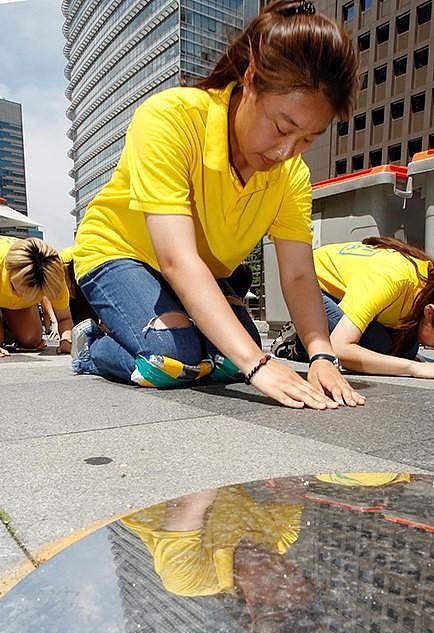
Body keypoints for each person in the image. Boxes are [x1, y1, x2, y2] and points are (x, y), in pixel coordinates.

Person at [71, 0, 365, 408]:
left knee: (228, 362)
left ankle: (172, 330)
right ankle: (90, 344)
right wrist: (259, 365)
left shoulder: (291, 175)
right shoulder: (170, 119)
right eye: (283, 127)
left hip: (201, 272)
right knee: (173, 360)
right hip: (119, 253)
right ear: (250, 79)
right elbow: (177, 260)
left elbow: (298, 275)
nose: (285, 151)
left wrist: (322, 355)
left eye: (306, 140)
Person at [121, 482, 321, 633]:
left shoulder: (191, 579)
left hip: (132, 484)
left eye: (276, 583)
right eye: (296, 573)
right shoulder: (281, 535)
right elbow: (293, 486)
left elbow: (190, 501)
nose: (280, 566)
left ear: (251, 603)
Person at [274, 238, 434, 378]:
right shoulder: (393, 279)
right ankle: (298, 341)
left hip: (347, 288)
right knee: (378, 346)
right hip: (310, 284)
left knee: (407, 350)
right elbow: (340, 347)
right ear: (429, 312)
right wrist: (414, 368)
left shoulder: (425, 283)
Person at [0, 235, 72, 358]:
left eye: (36, 295)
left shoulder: (52, 277)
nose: (21, 297)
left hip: (11, 302)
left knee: (31, 339)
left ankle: (6, 327)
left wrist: (66, 339)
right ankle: (0, 327)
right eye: (16, 289)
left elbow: (64, 319)